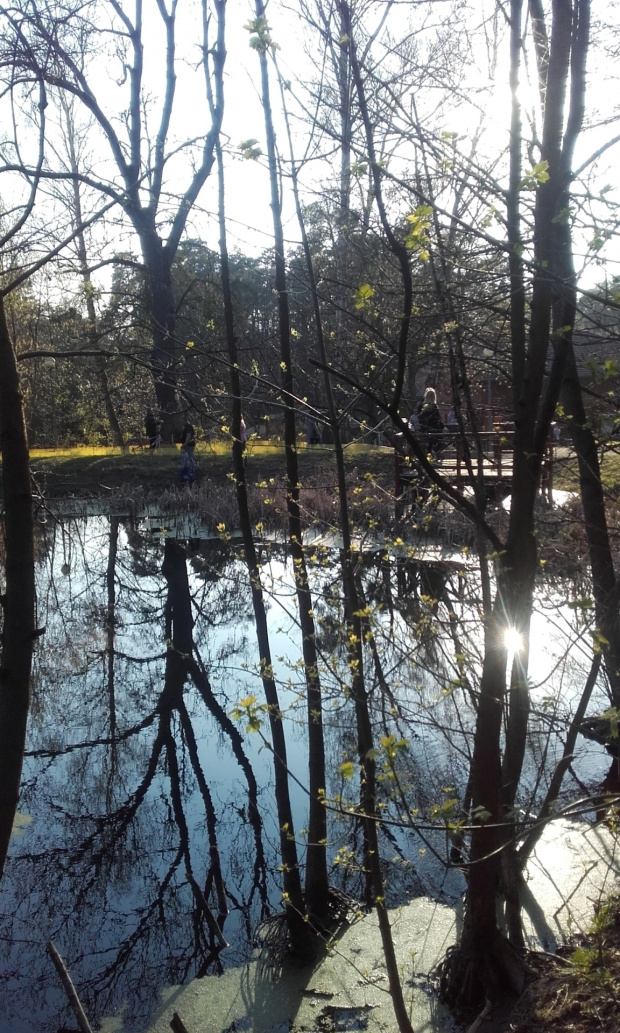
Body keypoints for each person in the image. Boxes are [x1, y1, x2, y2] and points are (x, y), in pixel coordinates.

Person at [417, 387, 445, 458]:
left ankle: (431, 452)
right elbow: (437, 419)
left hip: (424, 428)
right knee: (441, 439)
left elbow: (419, 417)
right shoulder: (433, 407)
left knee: (434, 440)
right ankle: (434, 452)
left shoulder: (421, 405)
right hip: (432, 429)